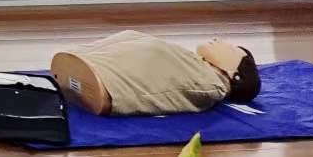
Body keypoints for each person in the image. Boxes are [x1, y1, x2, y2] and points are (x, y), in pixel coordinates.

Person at [51, 31, 260, 116]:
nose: (220, 40)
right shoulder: (191, 63)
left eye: (231, 49)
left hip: (102, 87)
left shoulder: (209, 84)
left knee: (150, 50)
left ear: (235, 75)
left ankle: (96, 78)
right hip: (83, 71)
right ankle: (83, 65)